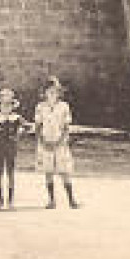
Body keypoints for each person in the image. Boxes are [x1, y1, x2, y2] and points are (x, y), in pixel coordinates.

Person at [33, 77, 79, 209]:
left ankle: (71, 200)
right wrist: (42, 141)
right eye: (49, 91)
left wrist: (60, 141)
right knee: (48, 171)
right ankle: (51, 200)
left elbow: (66, 127)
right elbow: (37, 126)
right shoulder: (40, 107)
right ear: (44, 93)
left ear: (59, 93)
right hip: (46, 142)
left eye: (55, 91)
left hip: (60, 142)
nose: (52, 94)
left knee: (64, 171)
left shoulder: (64, 106)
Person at [0, 87, 28, 210]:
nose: (6, 107)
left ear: (12, 106)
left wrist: (20, 131)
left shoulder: (16, 118)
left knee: (10, 173)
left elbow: (26, 126)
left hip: (11, 147)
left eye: (8, 105)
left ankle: (10, 200)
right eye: (3, 104)